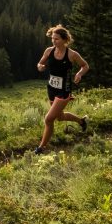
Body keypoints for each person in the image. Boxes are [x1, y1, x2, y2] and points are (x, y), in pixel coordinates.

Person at [34, 24, 89, 153]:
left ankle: (41, 148)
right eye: (52, 38)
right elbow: (40, 63)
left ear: (65, 39)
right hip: (51, 88)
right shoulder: (49, 51)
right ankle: (81, 121)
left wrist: (79, 74)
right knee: (60, 117)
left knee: (48, 119)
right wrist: (40, 67)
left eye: (56, 39)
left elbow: (85, 66)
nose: (53, 41)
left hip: (64, 90)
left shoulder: (72, 54)